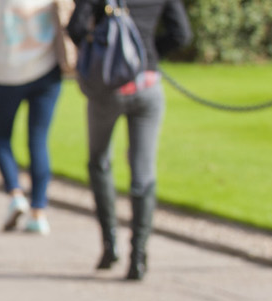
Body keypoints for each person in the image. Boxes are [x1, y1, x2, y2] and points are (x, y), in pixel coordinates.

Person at [68, 0, 190, 280]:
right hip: (147, 83)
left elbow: (75, 28)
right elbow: (181, 34)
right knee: (143, 172)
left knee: (99, 161)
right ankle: (139, 254)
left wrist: (97, 47)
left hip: (108, 85)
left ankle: (110, 245)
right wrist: (147, 52)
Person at [0, 0, 75, 235]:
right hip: (45, 69)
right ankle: (38, 211)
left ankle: (15, 193)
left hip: (8, 71)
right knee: (38, 140)